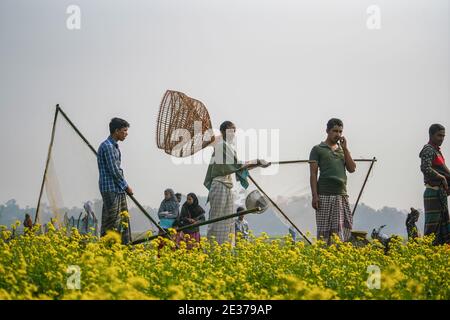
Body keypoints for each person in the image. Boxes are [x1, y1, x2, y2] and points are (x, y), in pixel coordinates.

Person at [203, 121, 270, 245]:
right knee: (217, 219)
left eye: (234, 130)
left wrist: (258, 163)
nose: (233, 133)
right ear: (223, 132)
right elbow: (238, 165)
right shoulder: (221, 146)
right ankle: (213, 250)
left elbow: (238, 166)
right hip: (219, 185)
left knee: (228, 221)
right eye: (230, 130)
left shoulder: (227, 147)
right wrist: (257, 161)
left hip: (227, 186)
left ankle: (225, 251)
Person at [309, 118, 357, 245]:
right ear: (327, 131)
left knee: (342, 232)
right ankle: (323, 256)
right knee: (324, 232)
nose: (338, 134)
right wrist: (315, 196)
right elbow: (313, 174)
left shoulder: (342, 150)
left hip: (341, 195)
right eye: (335, 131)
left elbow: (352, 169)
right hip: (324, 195)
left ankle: (338, 256)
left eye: (340, 131)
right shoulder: (318, 149)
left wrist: (346, 149)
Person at [98, 117, 132, 244]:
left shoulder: (114, 146)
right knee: (112, 221)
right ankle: (109, 247)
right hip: (110, 189)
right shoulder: (108, 147)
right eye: (124, 131)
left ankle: (122, 247)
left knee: (122, 219)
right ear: (116, 131)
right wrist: (126, 186)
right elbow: (114, 171)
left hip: (117, 189)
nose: (126, 134)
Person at [419, 123, 450, 245]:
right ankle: (426, 255)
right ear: (431, 135)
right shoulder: (428, 149)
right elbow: (425, 168)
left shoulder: (437, 152)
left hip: (440, 193)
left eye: (443, 136)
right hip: (433, 192)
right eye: (439, 135)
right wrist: (441, 177)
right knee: (432, 229)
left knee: (442, 228)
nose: (441, 138)